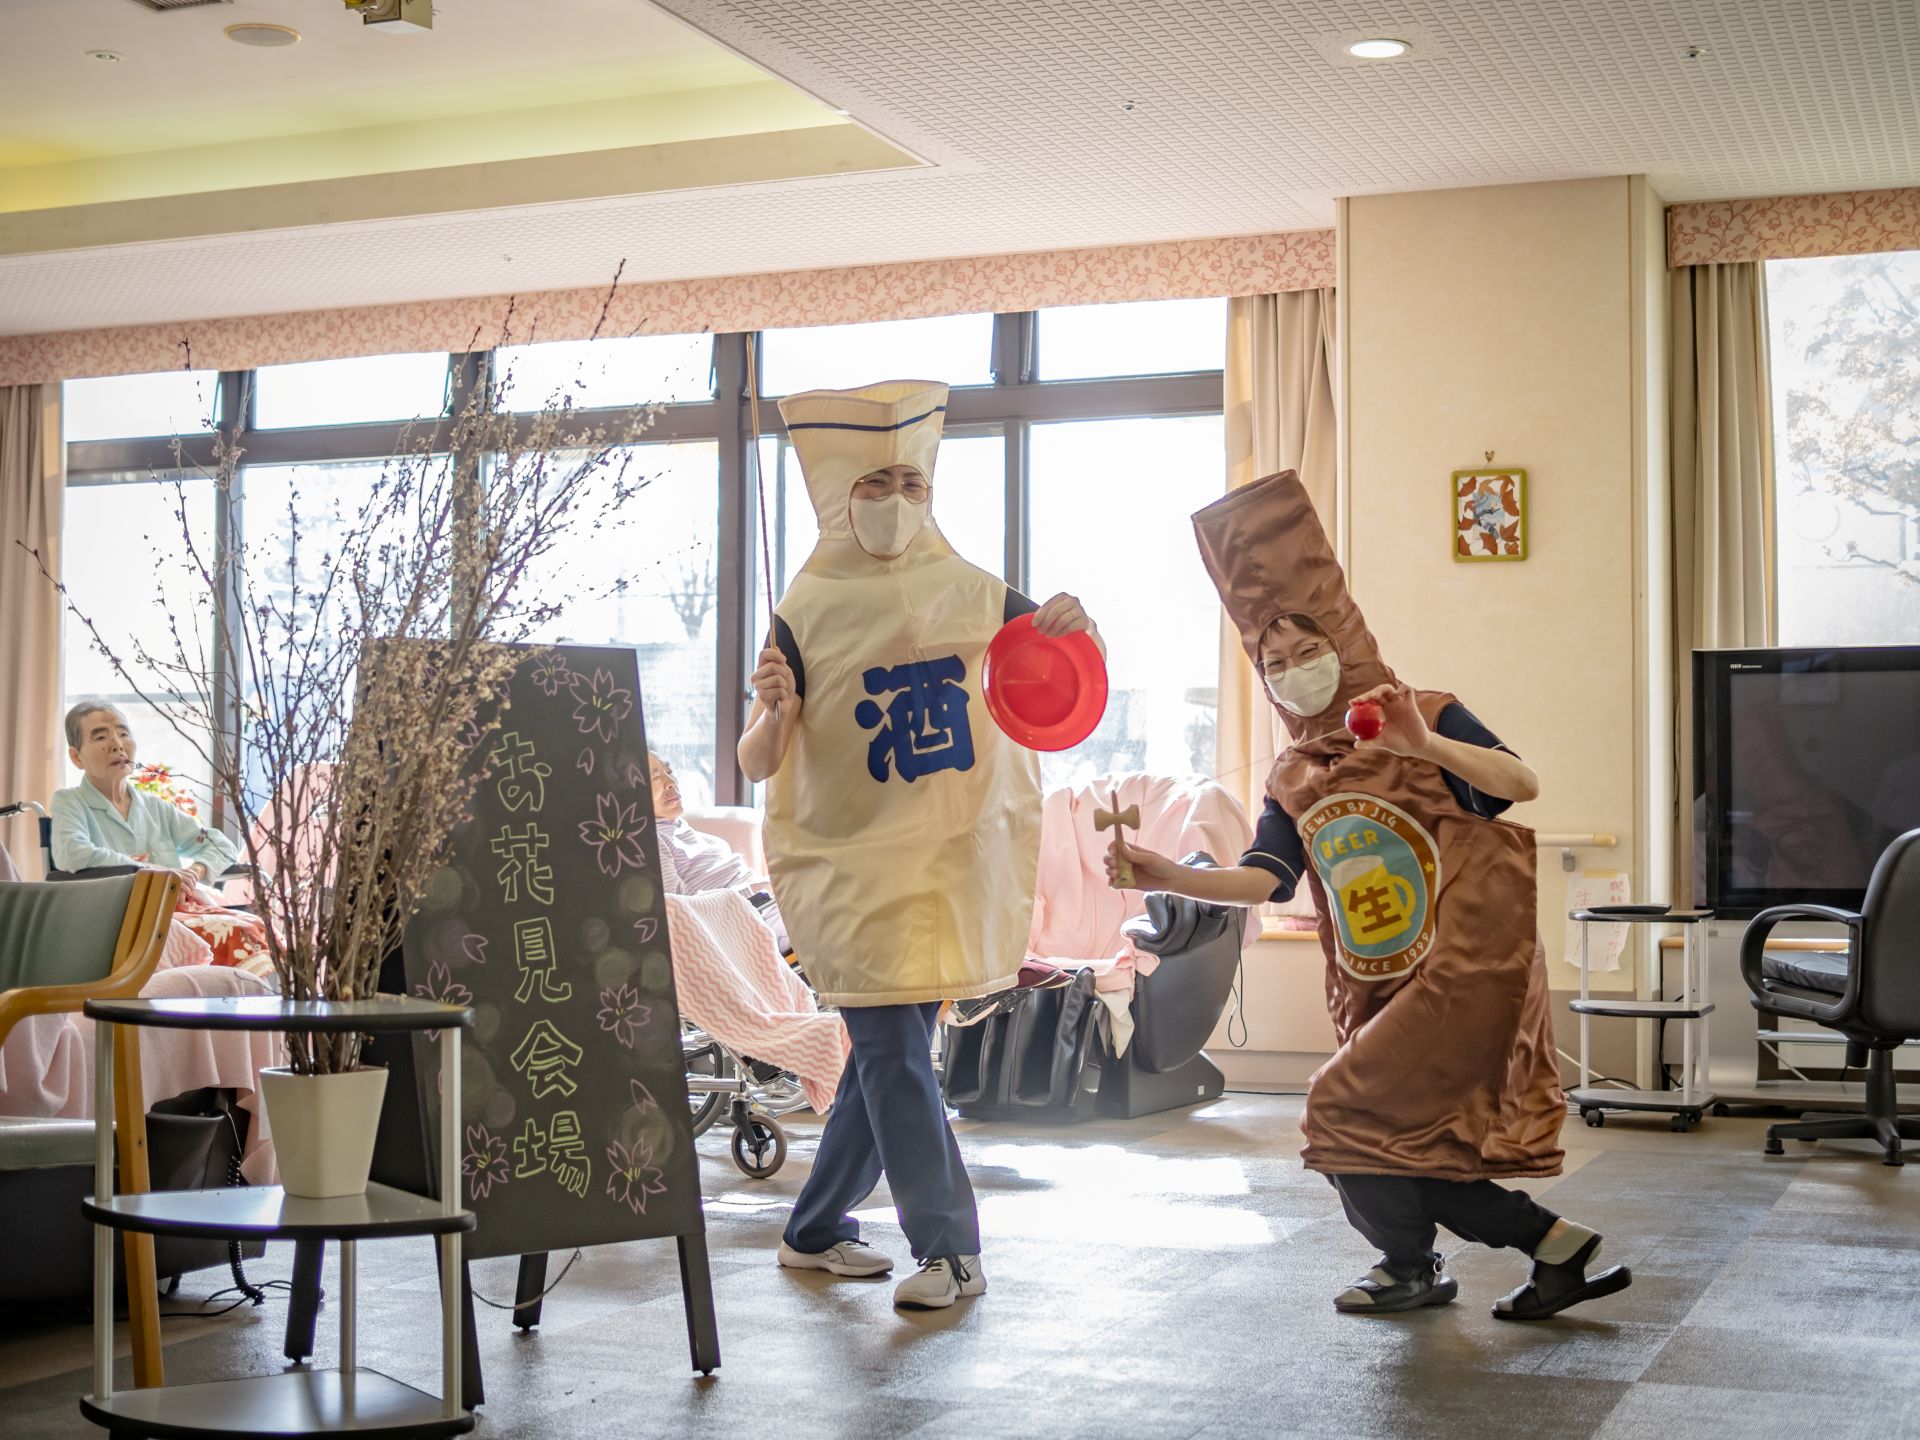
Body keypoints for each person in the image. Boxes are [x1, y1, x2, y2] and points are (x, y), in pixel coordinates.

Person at [1106, 470, 1629, 1321]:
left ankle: (1416, 1264)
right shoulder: (1294, 771)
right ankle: (1543, 1248)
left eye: (1307, 649)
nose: (1293, 671)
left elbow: (1520, 784)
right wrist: (1172, 876)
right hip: (1379, 978)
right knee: (1397, 1138)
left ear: (1343, 641)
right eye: (1274, 662)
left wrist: (1427, 747)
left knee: (1341, 1112)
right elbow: (1267, 877)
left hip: (1465, 965)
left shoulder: (1426, 712)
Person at [739, 379, 1100, 1310]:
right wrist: (776, 709)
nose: (896, 502)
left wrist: (1076, 622)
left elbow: (1059, 674)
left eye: (912, 484)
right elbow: (757, 759)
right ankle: (949, 1248)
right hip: (849, 868)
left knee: (883, 1061)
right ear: (838, 495)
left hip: (942, 866)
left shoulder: (974, 589)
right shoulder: (802, 609)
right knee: (896, 1055)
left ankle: (812, 1232)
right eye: (876, 484)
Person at [50, 702, 271, 973]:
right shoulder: (70, 802)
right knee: (233, 933)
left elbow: (220, 844)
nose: (117, 744)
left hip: (175, 912)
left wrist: (195, 871)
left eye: (123, 733)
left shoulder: (155, 807)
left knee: (257, 928)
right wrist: (158, 872)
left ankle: (241, 997)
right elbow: (74, 853)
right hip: (118, 918)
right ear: (76, 757)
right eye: (100, 737)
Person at [649, 753, 789, 952]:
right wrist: (755, 890)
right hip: (746, 920)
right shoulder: (654, 839)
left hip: (766, 905)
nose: (671, 782)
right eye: (655, 777)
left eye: (669, 772)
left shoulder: (681, 829)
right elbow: (680, 909)